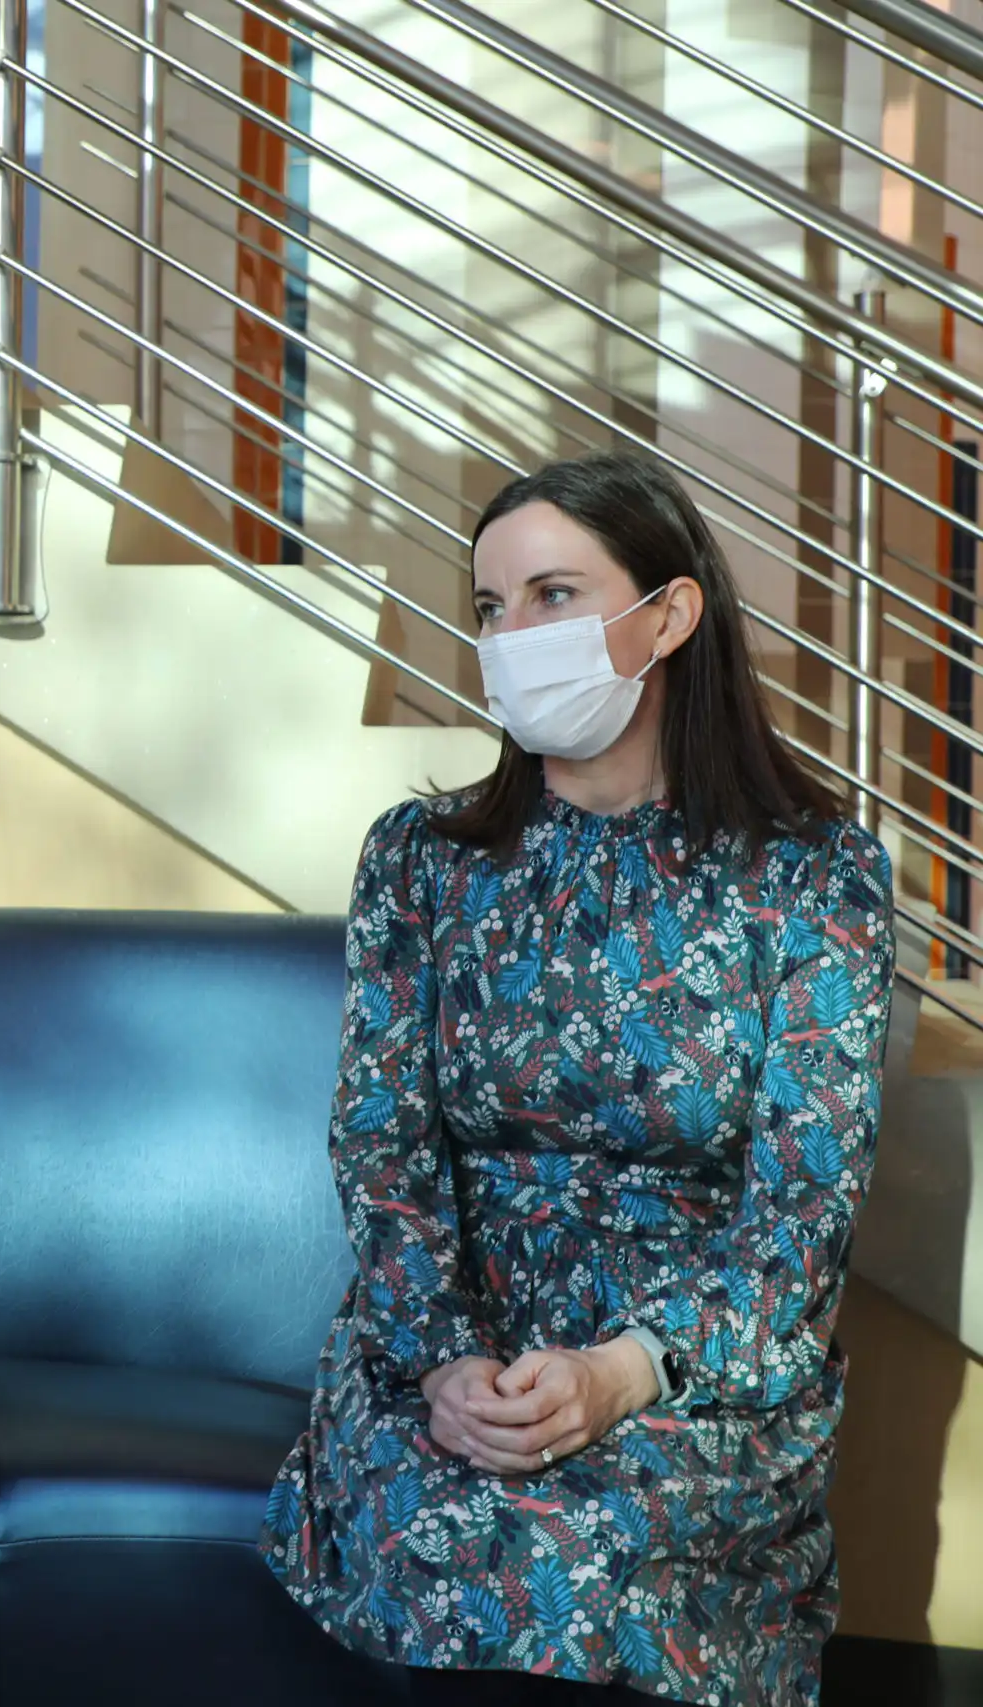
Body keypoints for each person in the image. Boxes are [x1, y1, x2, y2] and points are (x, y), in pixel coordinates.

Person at [260, 452, 896, 1706]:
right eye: (491, 610)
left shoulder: (815, 878)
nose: (512, 639)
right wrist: (444, 1361)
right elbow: (380, 1142)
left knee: (582, 1546)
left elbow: (801, 1210)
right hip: (452, 1343)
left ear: (666, 614)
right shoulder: (421, 861)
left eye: (552, 594)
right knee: (446, 1530)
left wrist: (622, 1371)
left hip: (695, 1364)